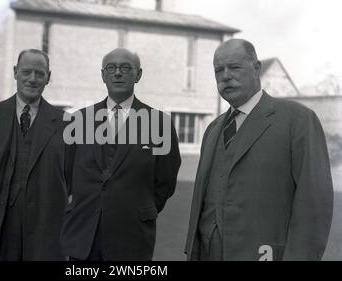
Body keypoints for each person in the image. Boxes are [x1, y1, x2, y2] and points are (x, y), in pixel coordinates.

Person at [184, 39, 334, 261]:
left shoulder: (298, 120)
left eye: (234, 67)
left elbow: (314, 204)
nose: (225, 75)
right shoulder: (213, 129)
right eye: (219, 70)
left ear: (256, 69)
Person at [61, 48, 181, 261]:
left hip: (133, 237)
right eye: (111, 68)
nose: (118, 73)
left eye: (126, 68)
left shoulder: (159, 123)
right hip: (84, 239)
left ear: (138, 75)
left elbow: (165, 181)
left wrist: (138, 209)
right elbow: (66, 174)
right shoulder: (79, 121)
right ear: (103, 75)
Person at [0, 49, 68, 261]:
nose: (32, 79)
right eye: (26, 72)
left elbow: (69, 180)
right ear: (15, 72)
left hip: (44, 234)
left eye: (39, 73)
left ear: (48, 78)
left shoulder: (66, 124)